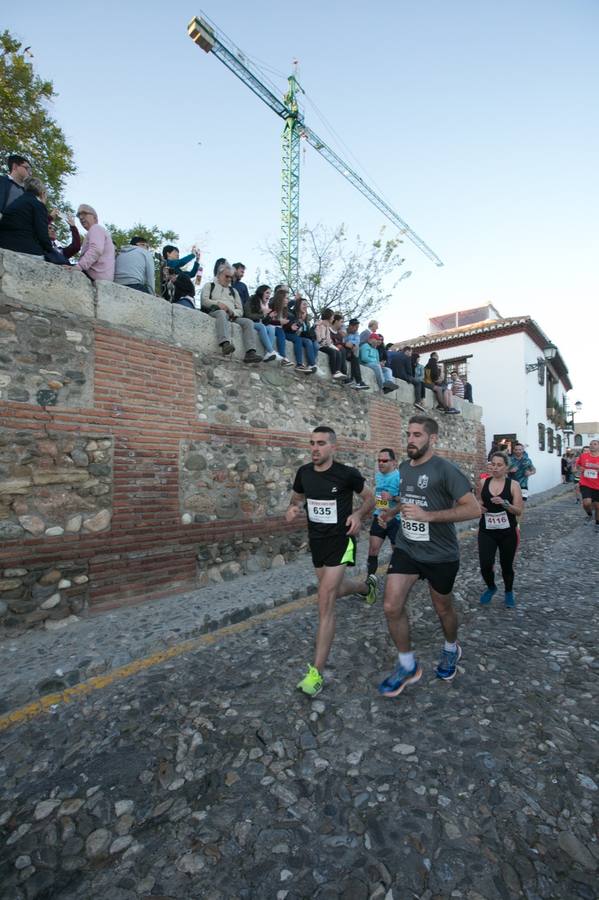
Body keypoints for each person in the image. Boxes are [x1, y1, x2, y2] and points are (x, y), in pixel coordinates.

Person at [378, 416, 480, 696]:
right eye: (408, 434)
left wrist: (429, 516)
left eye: (417, 435)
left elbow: (473, 509)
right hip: (408, 548)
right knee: (390, 606)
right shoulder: (401, 468)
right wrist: (389, 511)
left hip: (440, 554)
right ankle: (407, 665)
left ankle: (451, 648)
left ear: (432, 439)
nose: (411, 439)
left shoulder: (446, 470)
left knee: (443, 608)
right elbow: (405, 499)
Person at [285, 426, 377, 696]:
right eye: (312, 443)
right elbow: (298, 497)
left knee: (325, 598)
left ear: (333, 448)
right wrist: (294, 507)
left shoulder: (346, 474)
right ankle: (364, 588)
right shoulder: (303, 473)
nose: (315, 448)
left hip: (342, 541)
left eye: (321, 443)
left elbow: (370, 498)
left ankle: (316, 673)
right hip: (318, 542)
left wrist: (359, 515)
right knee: (334, 590)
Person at [477, 451, 523, 608]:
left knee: (506, 565)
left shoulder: (514, 485)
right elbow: (479, 502)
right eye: (492, 464)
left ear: (506, 467)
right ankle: (491, 587)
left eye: (499, 465)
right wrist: (480, 508)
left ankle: (508, 592)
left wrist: (505, 504)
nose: (495, 468)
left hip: (507, 532)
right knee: (485, 564)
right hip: (487, 530)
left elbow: (518, 511)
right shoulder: (484, 482)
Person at [200, 262, 262, 363]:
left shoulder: (234, 291)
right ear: (219, 275)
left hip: (232, 316)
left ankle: (250, 352)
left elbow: (240, 310)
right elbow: (204, 301)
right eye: (227, 276)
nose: (229, 279)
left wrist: (232, 312)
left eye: (231, 277)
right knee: (221, 313)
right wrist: (218, 304)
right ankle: (225, 343)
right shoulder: (209, 285)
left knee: (248, 322)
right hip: (215, 312)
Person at [367, 448, 401, 577]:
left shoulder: (400, 477)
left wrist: (392, 497)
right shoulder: (378, 475)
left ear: (393, 462)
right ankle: (370, 582)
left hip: (395, 519)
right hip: (379, 516)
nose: (381, 463)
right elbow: (378, 496)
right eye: (379, 460)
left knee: (397, 552)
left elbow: (406, 500)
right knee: (373, 549)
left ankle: (396, 580)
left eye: (384, 460)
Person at [0, 176, 52, 257]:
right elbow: (42, 234)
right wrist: (51, 250)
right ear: (41, 191)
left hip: (4, 244)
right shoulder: (37, 205)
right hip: (25, 249)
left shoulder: (15, 203)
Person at [266, 287, 312, 372]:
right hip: (273, 328)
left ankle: (300, 364)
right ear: (281, 299)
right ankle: (283, 358)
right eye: (287, 298)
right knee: (281, 332)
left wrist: (292, 326)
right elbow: (267, 321)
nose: (288, 300)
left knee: (298, 339)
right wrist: (280, 323)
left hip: (282, 330)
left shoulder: (285, 310)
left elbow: (287, 324)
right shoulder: (272, 305)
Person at [75, 204, 115, 281]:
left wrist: (79, 266)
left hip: (95, 277)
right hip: (102, 279)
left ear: (95, 217)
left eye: (84, 213)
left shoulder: (95, 228)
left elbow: (96, 249)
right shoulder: (97, 230)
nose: (81, 217)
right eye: (78, 215)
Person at [331, 314, 368, 389]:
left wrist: (350, 344)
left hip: (348, 350)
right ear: (350, 326)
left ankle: (359, 381)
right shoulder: (343, 327)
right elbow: (343, 339)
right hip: (339, 347)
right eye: (355, 327)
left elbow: (353, 345)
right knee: (343, 350)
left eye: (358, 327)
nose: (357, 329)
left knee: (355, 358)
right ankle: (344, 376)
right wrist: (347, 343)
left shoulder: (356, 334)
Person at [243, 284, 278, 362]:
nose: (269, 295)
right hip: (249, 322)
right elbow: (248, 315)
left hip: (259, 323)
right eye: (267, 293)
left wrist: (269, 316)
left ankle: (267, 354)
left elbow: (263, 321)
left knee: (271, 328)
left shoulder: (264, 304)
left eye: (270, 293)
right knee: (261, 326)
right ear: (261, 292)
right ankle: (271, 351)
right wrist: (263, 314)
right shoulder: (252, 300)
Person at [315, 309, 350, 382]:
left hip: (325, 344)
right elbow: (318, 337)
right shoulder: (320, 324)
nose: (333, 319)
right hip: (320, 345)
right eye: (332, 317)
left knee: (337, 351)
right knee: (332, 352)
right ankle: (334, 372)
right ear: (329, 317)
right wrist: (324, 342)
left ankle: (337, 371)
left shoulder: (327, 326)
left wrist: (333, 346)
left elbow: (328, 340)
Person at [388, 345, 426, 409]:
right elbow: (409, 370)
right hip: (403, 376)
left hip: (394, 374)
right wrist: (410, 378)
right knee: (418, 383)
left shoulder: (395, 356)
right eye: (410, 352)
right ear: (407, 351)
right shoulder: (407, 358)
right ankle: (417, 402)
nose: (411, 355)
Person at [575, 439, 599, 532]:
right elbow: (577, 466)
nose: (592, 446)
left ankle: (597, 523)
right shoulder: (583, 456)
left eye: (595, 444)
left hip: (597, 485)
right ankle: (589, 514)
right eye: (590, 444)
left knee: (597, 506)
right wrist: (580, 468)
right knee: (586, 503)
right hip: (585, 483)